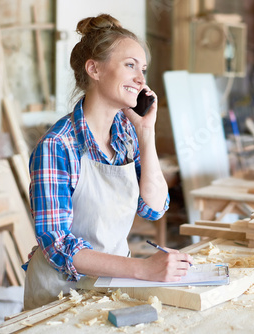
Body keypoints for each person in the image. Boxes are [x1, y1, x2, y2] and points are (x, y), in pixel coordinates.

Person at [23, 13, 193, 310]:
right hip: (60, 296)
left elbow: (153, 208)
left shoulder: (126, 134)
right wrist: (143, 269)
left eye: (143, 69)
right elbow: (58, 246)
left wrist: (146, 133)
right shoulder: (58, 146)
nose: (141, 79)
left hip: (110, 284)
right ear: (95, 69)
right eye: (130, 66)